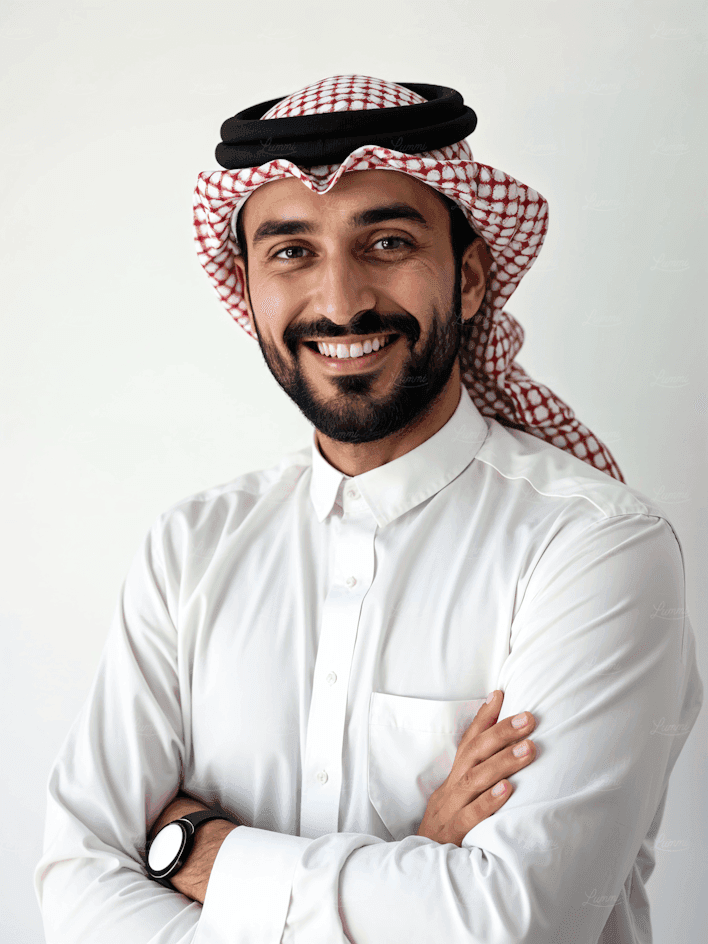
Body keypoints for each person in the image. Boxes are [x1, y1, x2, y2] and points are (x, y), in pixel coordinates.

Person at [35, 75, 702, 944]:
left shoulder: (595, 549)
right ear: (249, 290)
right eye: (291, 251)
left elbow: (513, 921)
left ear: (469, 277)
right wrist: (422, 862)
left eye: (386, 242)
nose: (341, 301)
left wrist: (198, 853)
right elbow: (76, 886)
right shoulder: (189, 549)